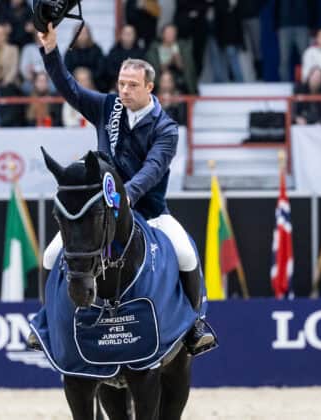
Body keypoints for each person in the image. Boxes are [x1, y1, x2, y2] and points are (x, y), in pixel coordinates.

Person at [34, 22, 214, 354]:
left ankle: (195, 325)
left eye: (132, 85)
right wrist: (51, 50)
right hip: (103, 211)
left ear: (150, 86)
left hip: (150, 211)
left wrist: (127, 194)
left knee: (186, 252)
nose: (125, 90)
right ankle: (45, 320)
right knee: (49, 253)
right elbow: (68, 87)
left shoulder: (166, 127)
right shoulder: (107, 108)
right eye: (121, 84)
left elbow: (154, 168)